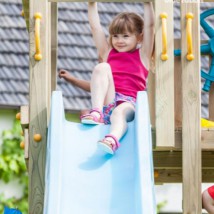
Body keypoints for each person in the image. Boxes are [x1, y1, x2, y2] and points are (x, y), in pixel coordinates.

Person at [60, 2, 155, 155]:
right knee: (102, 67)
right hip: (108, 103)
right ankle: (97, 113)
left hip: (128, 104)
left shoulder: (143, 55)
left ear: (139, 38)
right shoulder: (108, 53)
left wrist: (148, 3)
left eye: (126, 36)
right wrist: (92, 4)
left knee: (119, 113)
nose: (119, 40)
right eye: (115, 36)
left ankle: (112, 139)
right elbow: (95, 28)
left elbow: (150, 26)